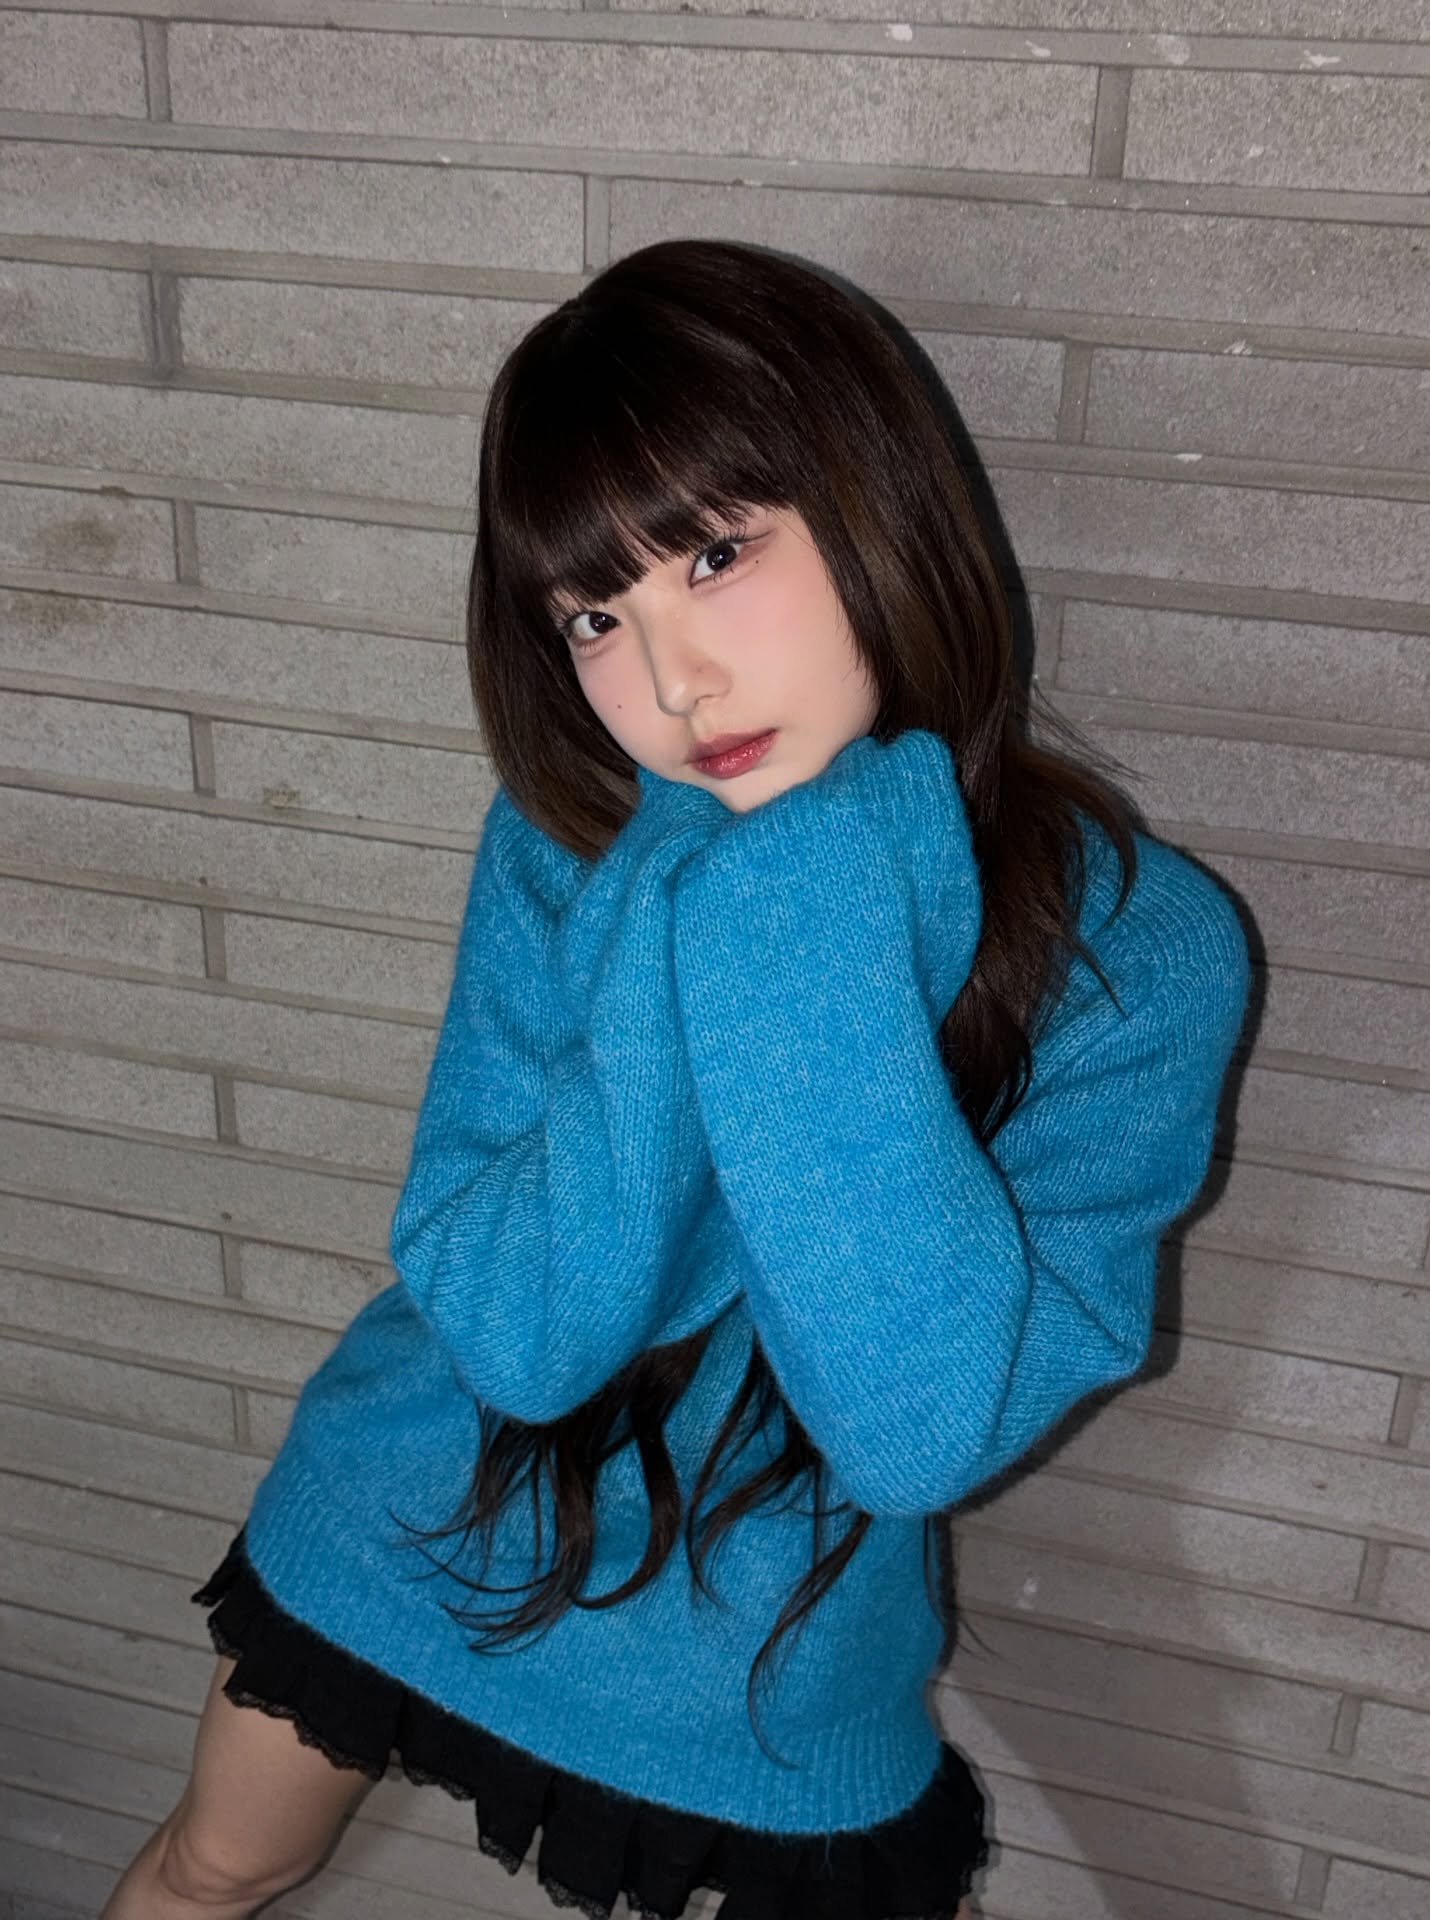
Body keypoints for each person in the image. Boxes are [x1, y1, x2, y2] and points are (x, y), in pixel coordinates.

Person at [101, 238, 1251, 1919]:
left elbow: (920, 1425)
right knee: (210, 1872)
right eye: (596, 616)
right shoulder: (571, 843)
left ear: (875, 505)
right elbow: (514, 1332)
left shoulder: (1140, 952)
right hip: (417, 1511)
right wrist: (678, 895)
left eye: (716, 555)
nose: (669, 684)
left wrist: (808, 896)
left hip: (775, 1661)